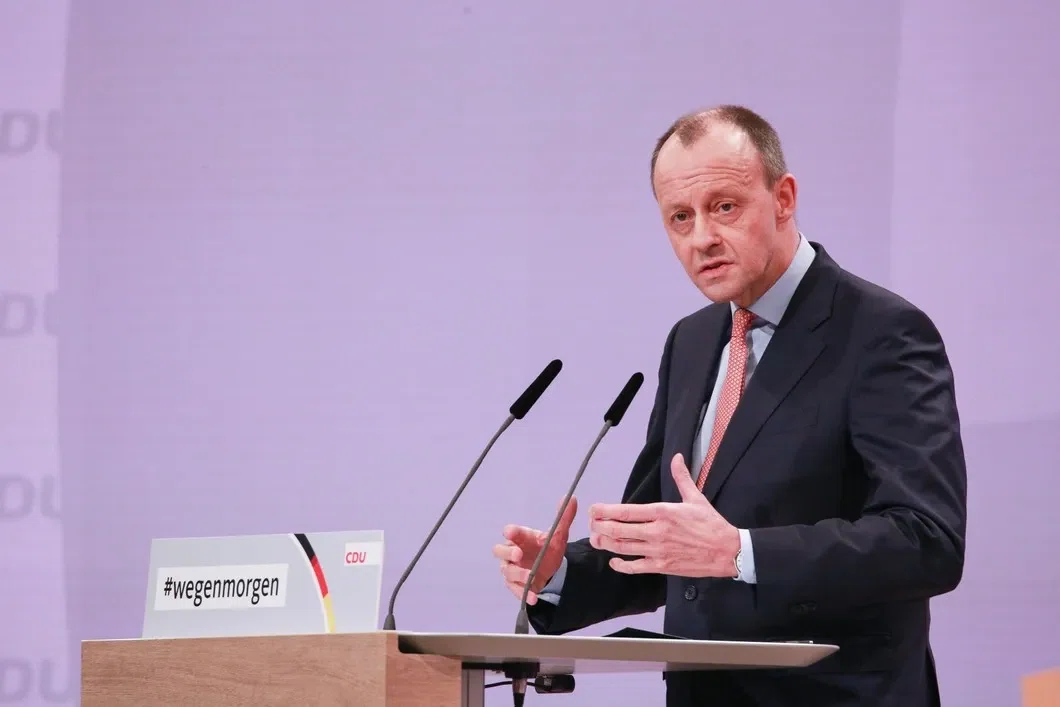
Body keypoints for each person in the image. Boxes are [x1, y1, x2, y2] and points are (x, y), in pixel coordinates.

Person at [493, 105, 967, 706]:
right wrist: (561, 574)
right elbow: (667, 542)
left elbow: (927, 541)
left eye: (724, 207)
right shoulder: (691, 341)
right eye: (680, 217)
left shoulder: (881, 332)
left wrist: (741, 553)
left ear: (783, 199)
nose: (702, 239)